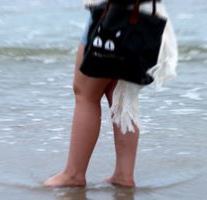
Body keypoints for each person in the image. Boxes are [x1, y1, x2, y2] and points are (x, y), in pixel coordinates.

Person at [44, 0, 178, 188]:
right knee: (120, 97)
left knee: (86, 94)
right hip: (143, 14)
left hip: (115, 12)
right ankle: (123, 175)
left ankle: (73, 174)